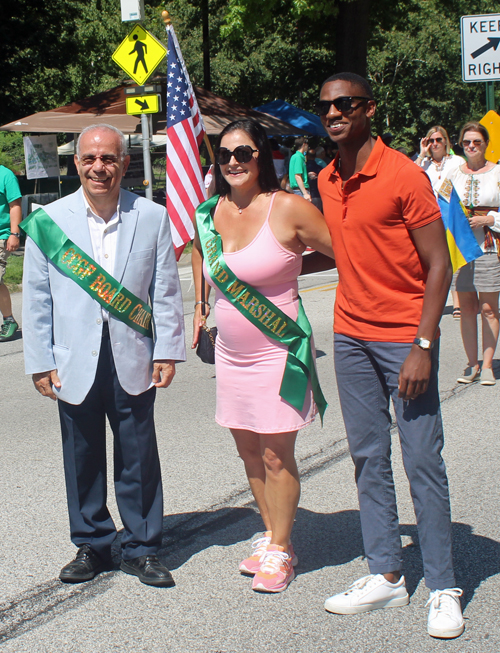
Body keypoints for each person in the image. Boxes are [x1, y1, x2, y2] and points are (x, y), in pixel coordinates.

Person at [316, 73, 464, 639]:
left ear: (369, 109)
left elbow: (440, 266)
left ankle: (444, 585)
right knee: (367, 456)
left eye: (345, 103)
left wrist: (423, 347)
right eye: (326, 105)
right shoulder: (329, 178)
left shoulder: (403, 175)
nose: (334, 112)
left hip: (405, 337)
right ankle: (386, 573)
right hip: (350, 336)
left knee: (422, 459)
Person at [22, 124, 186, 587]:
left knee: (138, 455)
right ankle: (92, 544)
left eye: (109, 158)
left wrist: (168, 349)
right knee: (83, 454)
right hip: (73, 357)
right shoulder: (48, 221)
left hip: (132, 355)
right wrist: (39, 361)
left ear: (125, 163)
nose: (100, 167)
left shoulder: (150, 216)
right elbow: (36, 298)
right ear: (76, 163)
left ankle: (143, 547)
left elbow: (166, 291)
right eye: (90, 159)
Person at [191, 118, 334, 593]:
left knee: (276, 454)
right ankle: (276, 536)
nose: (233, 161)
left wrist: (295, 258)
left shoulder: (289, 207)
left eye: (244, 153)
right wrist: (199, 306)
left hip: (279, 351)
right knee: (248, 451)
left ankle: (281, 547)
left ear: (262, 156)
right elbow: (199, 254)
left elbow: (345, 250)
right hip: (231, 354)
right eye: (226, 154)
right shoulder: (210, 212)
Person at [443, 122, 500, 386]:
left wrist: (489, 219)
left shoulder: (498, 172)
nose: (471, 146)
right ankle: (472, 364)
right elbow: (441, 206)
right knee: (466, 308)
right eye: (467, 142)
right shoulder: (453, 174)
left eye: (476, 141)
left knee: (488, 308)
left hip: (488, 247)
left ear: (486, 144)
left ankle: (488, 364)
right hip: (461, 250)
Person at [0, 165, 22, 342]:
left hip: (1, 236)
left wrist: (14, 234)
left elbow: (14, 205)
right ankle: (9, 320)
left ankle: (9, 320)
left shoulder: (6, 175)